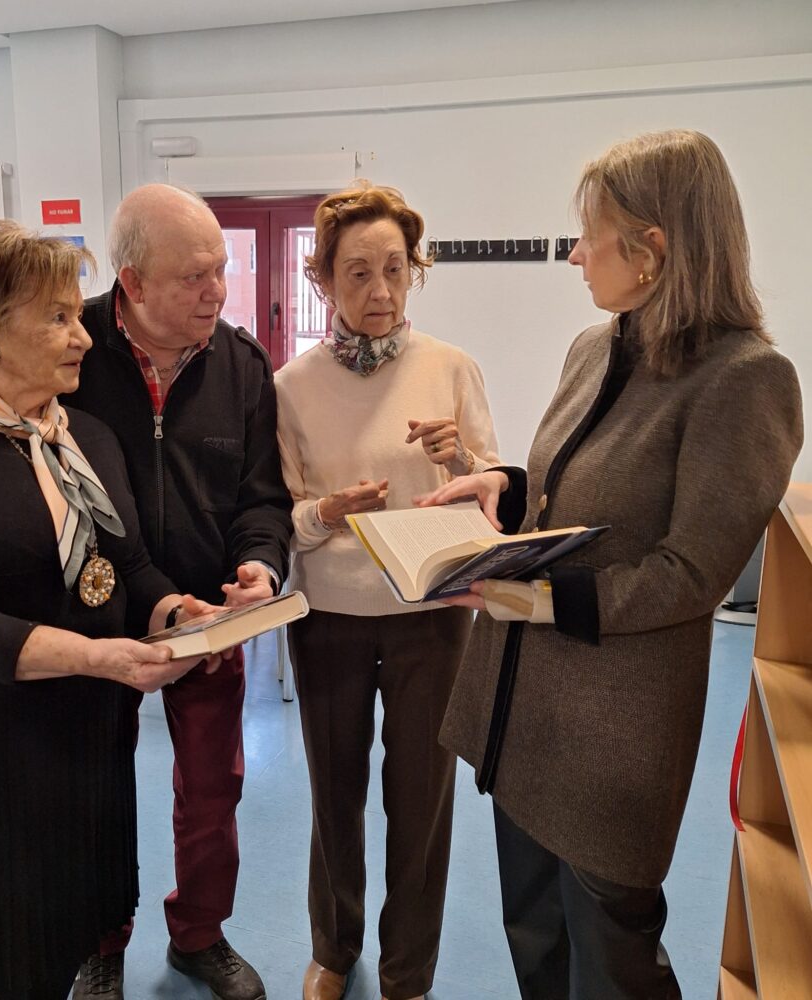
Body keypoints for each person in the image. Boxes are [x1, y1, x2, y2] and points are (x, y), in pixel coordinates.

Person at [0, 186, 293, 1000]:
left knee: (124, 843)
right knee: (3, 942)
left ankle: (182, 935)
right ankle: (98, 951)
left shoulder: (89, 428)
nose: (80, 336)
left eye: (221, 270)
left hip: (124, 669)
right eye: (194, 275)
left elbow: (132, 555)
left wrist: (183, 605)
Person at [419, 129, 804, 998]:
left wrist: (542, 601)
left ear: (652, 250)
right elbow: (582, 496)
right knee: (536, 940)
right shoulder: (596, 346)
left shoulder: (745, 379)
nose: (574, 256)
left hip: (614, 734)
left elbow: (689, 574)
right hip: (525, 713)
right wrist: (507, 484)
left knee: (613, 960)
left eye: (587, 237)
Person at [274, 182, 502, 1000]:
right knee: (333, 797)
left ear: (415, 271)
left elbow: (494, 493)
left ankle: (409, 969)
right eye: (359, 273)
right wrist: (325, 512)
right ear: (323, 280)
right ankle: (334, 950)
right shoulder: (292, 385)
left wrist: (463, 462)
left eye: (396, 270)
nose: (381, 291)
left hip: (431, 615)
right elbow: (283, 515)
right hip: (328, 617)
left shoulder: (451, 368)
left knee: (422, 802)